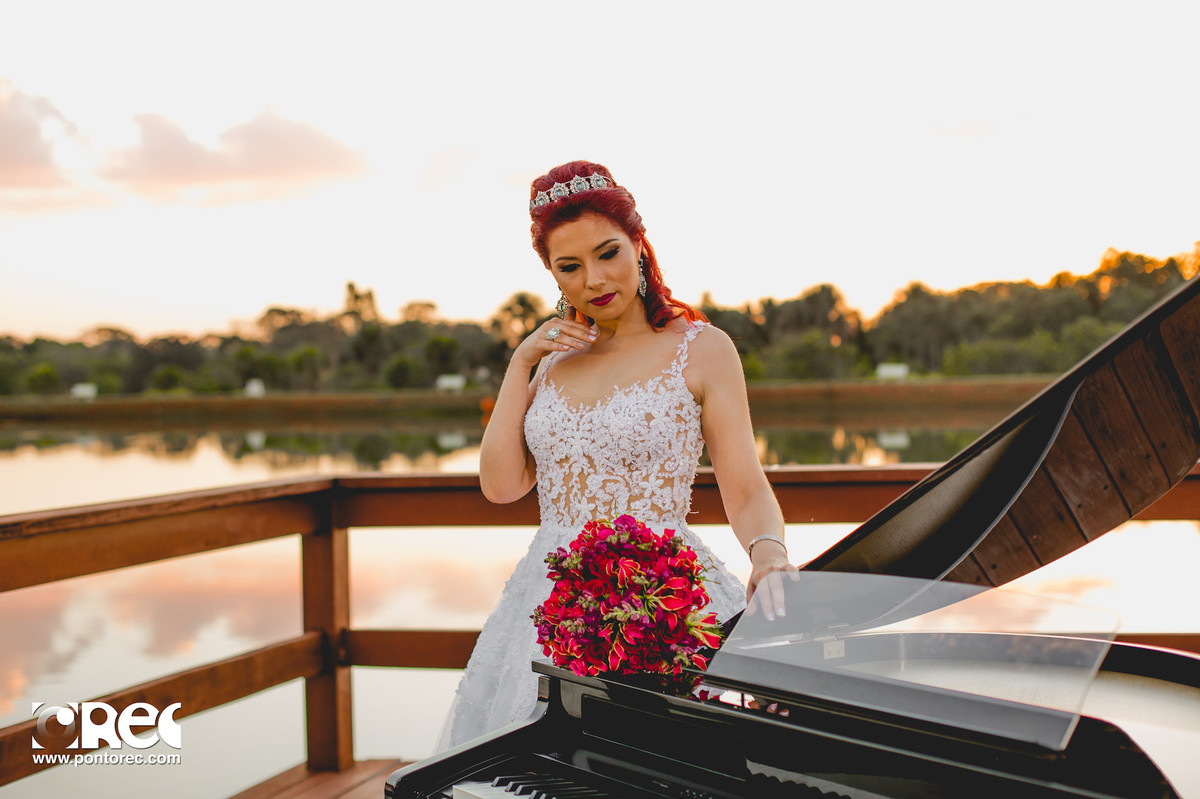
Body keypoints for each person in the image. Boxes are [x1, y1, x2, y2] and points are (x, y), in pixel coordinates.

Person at [435, 160, 796, 752]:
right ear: (552, 274)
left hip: (664, 593)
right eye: (569, 267)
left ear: (639, 245)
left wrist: (770, 553)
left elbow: (747, 486)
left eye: (608, 254)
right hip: (549, 602)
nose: (594, 280)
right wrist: (519, 364)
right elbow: (501, 486)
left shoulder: (703, 350)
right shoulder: (549, 363)